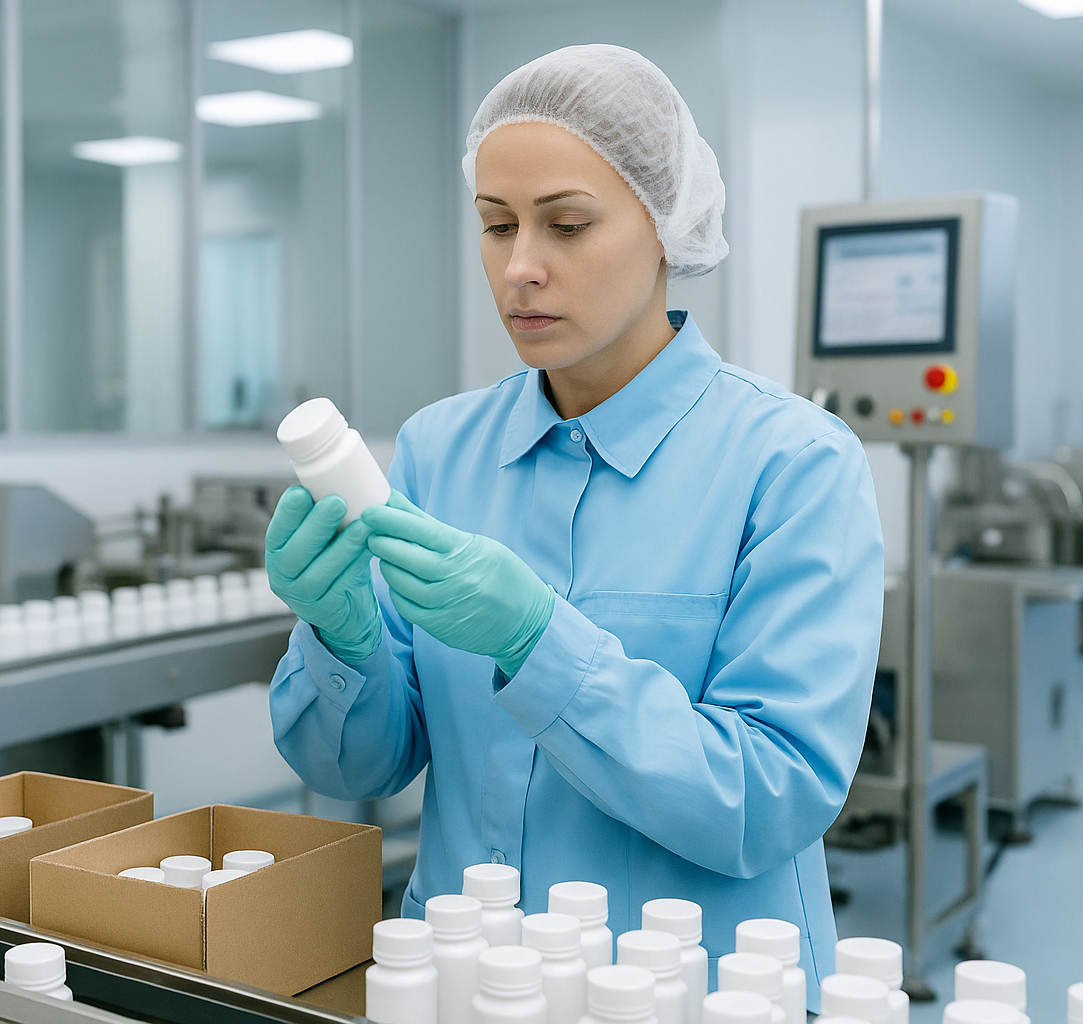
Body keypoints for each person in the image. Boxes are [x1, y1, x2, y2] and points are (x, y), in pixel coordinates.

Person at [264, 44, 883, 1006]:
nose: (520, 268)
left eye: (567, 225)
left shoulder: (792, 463)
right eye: (496, 225)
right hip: (466, 980)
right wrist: (341, 636)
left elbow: (770, 798)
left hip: (697, 989)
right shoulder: (440, 448)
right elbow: (361, 766)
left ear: (667, 228)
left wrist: (538, 642)